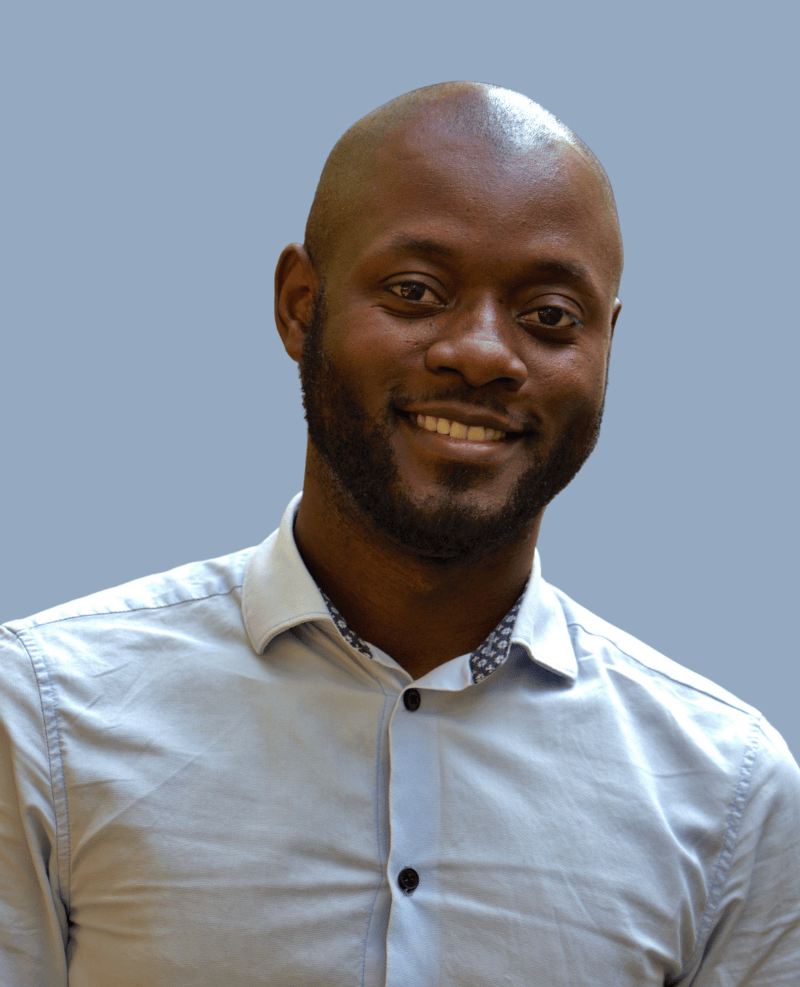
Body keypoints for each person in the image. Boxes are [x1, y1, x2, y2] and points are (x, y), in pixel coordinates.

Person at [1, 82, 798, 986]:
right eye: (416, 292)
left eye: (550, 317)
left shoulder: (729, 793)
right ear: (302, 306)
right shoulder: (46, 718)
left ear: (607, 348)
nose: (484, 353)